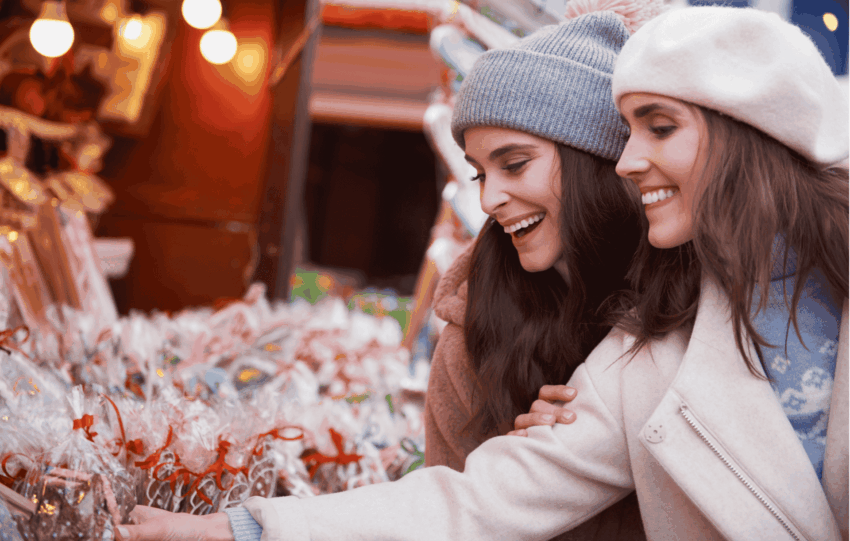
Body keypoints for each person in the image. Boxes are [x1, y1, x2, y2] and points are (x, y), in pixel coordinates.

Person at [119, 6, 848, 541]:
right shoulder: (643, 347)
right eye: (479, 171)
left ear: (752, 132)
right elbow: (473, 504)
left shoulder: (680, 307)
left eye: (658, 127)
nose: (630, 160)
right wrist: (245, 526)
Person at [423, 8, 646, 539]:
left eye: (514, 163)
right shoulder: (473, 336)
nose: (489, 198)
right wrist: (517, 468)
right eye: (480, 173)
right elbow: (446, 509)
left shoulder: (695, 301)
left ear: (596, 157)